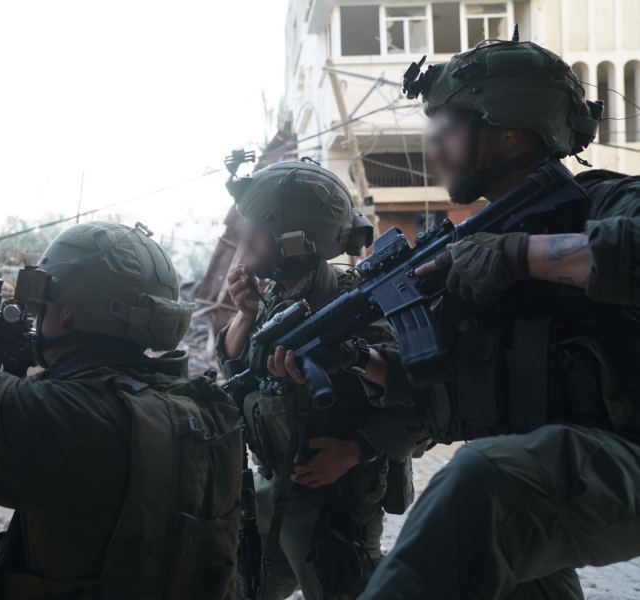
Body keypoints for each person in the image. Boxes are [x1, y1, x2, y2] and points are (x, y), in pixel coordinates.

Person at [269, 39, 640, 599]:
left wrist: (517, 256)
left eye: (446, 129)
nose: (435, 147)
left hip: (618, 460)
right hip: (548, 478)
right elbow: (438, 394)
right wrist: (353, 357)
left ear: (508, 129)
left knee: (479, 485)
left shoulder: (604, 203)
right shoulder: (474, 250)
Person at [0, 221, 243, 600]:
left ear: (68, 314)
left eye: (44, 305)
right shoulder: (208, 409)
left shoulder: (62, 412)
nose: (36, 319)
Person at [217, 160, 417, 599]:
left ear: (294, 242)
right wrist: (244, 316)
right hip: (271, 492)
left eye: (257, 228)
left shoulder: (355, 304)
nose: (245, 239)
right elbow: (235, 373)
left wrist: (357, 450)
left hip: (335, 508)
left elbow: (420, 397)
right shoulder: (272, 297)